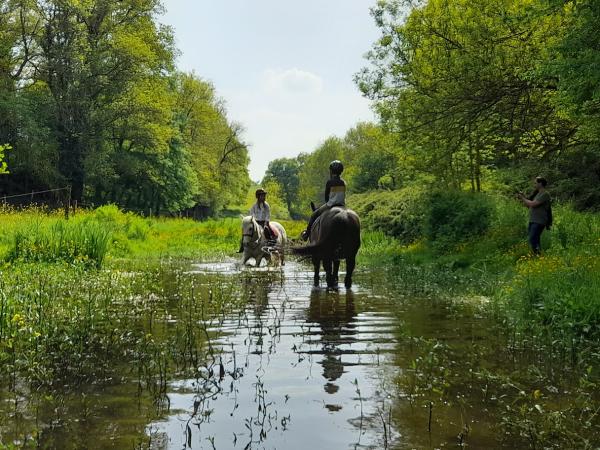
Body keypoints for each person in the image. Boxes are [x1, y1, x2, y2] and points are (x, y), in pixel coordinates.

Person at [301, 160, 347, 241]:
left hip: (331, 205)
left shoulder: (329, 182)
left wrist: (329, 201)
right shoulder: (343, 182)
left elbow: (327, 197)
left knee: (314, 214)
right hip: (342, 206)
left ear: (331, 171)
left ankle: (307, 234)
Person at [517, 176, 552, 255]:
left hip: (539, 221)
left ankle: (537, 255)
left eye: (535, 183)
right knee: (534, 239)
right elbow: (528, 205)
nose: (534, 184)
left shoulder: (545, 194)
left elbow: (533, 204)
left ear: (540, 184)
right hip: (533, 220)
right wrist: (523, 197)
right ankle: (538, 256)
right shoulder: (537, 194)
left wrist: (523, 198)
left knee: (532, 238)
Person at [238, 188, 274, 252]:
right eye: (262, 195)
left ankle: (271, 244)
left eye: (264, 195)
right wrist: (253, 221)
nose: (264, 197)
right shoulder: (254, 206)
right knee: (246, 232)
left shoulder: (266, 205)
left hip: (264, 222)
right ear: (258, 196)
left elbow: (268, 214)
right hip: (256, 222)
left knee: (269, 230)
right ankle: (242, 246)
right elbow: (251, 214)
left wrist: (266, 222)